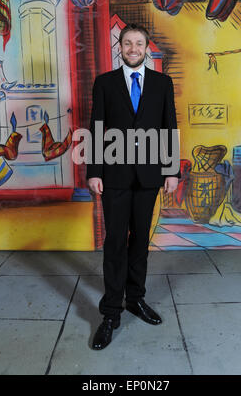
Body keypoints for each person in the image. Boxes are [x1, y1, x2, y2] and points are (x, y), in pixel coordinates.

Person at [86, 23, 180, 350]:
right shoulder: (104, 83)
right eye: (128, 43)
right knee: (115, 241)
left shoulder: (162, 83)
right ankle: (111, 312)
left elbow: (169, 127)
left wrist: (171, 171)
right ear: (121, 47)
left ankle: (135, 299)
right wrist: (93, 171)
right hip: (113, 176)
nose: (133, 48)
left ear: (145, 47)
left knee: (140, 240)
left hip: (150, 175)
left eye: (139, 43)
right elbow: (97, 128)